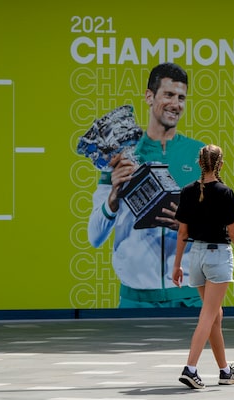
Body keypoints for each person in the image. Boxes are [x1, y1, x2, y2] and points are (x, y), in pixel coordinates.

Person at [87, 63, 205, 308]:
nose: (176, 104)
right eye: (169, 95)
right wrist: (113, 198)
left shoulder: (199, 154)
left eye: (181, 98)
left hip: (189, 296)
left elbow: (222, 230)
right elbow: (94, 237)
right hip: (135, 299)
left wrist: (189, 227)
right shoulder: (120, 155)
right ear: (149, 97)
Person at [172, 144, 234, 389]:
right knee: (209, 315)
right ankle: (190, 368)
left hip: (196, 256)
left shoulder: (188, 191)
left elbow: (182, 233)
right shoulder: (225, 192)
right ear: (220, 164)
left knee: (215, 316)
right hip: (217, 256)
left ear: (200, 164)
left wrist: (177, 265)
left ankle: (224, 371)